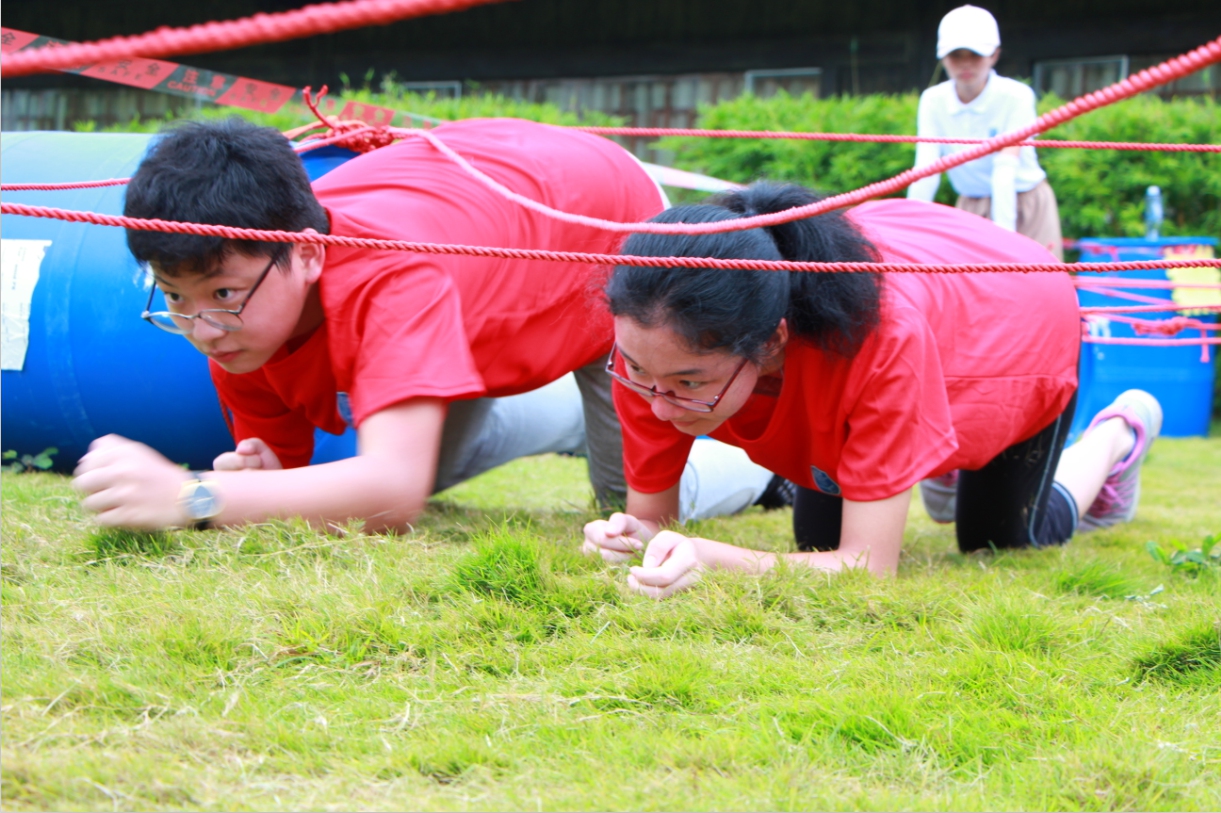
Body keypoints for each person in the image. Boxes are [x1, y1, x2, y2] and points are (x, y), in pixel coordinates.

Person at [72, 117, 777, 532]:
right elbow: (289, 482)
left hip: (598, 219)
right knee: (377, 477)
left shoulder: (391, 279)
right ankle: (556, 415)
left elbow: (391, 492)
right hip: (480, 255)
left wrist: (194, 495)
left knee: (630, 511)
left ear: (307, 254)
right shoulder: (234, 304)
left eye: (221, 293)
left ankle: (761, 477)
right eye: (174, 296)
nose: (202, 326)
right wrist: (251, 475)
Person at [582, 183, 1163, 599]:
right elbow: (654, 518)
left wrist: (712, 558)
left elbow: (867, 571)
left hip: (1018, 317)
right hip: (921, 281)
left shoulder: (879, 344)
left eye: (689, 384)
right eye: (637, 371)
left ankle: (1117, 435)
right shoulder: (655, 343)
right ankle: (925, 465)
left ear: (771, 342)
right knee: (815, 541)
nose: (656, 405)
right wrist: (636, 536)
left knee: (997, 539)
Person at [906, 5, 1064, 260]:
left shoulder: (1016, 96)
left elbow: (1005, 166)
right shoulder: (933, 100)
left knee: (1043, 283)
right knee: (975, 292)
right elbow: (926, 170)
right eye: (956, 55)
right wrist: (910, 231)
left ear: (994, 55)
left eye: (976, 54)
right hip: (970, 206)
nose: (966, 64)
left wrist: (1004, 239)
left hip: (1026, 202)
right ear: (943, 57)